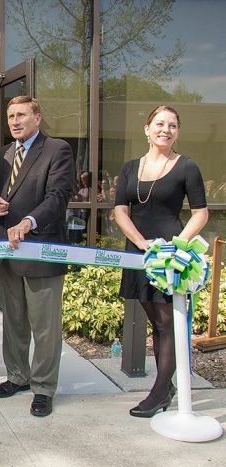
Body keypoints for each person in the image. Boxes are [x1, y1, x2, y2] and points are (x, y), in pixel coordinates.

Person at [114, 105, 208, 418]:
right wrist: (140, 243)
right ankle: (165, 387)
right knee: (157, 323)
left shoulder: (187, 166)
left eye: (171, 125)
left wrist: (176, 247)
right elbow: (120, 211)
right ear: (147, 128)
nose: (165, 130)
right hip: (140, 253)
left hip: (169, 256)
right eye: (159, 124)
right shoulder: (130, 167)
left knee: (168, 323)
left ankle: (159, 391)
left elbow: (200, 213)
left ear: (177, 132)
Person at [0, 96, 73, 417]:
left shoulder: (57, 150)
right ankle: (18, 376)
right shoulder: (3, 155)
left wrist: (28, 221)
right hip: (7, 254)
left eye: (22, 114)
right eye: (10, 116)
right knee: (15, 322)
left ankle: (44, 387)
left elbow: (58, 196)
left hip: (41, 251)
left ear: (38, 117)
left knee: (45, 326)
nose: (15, 121)